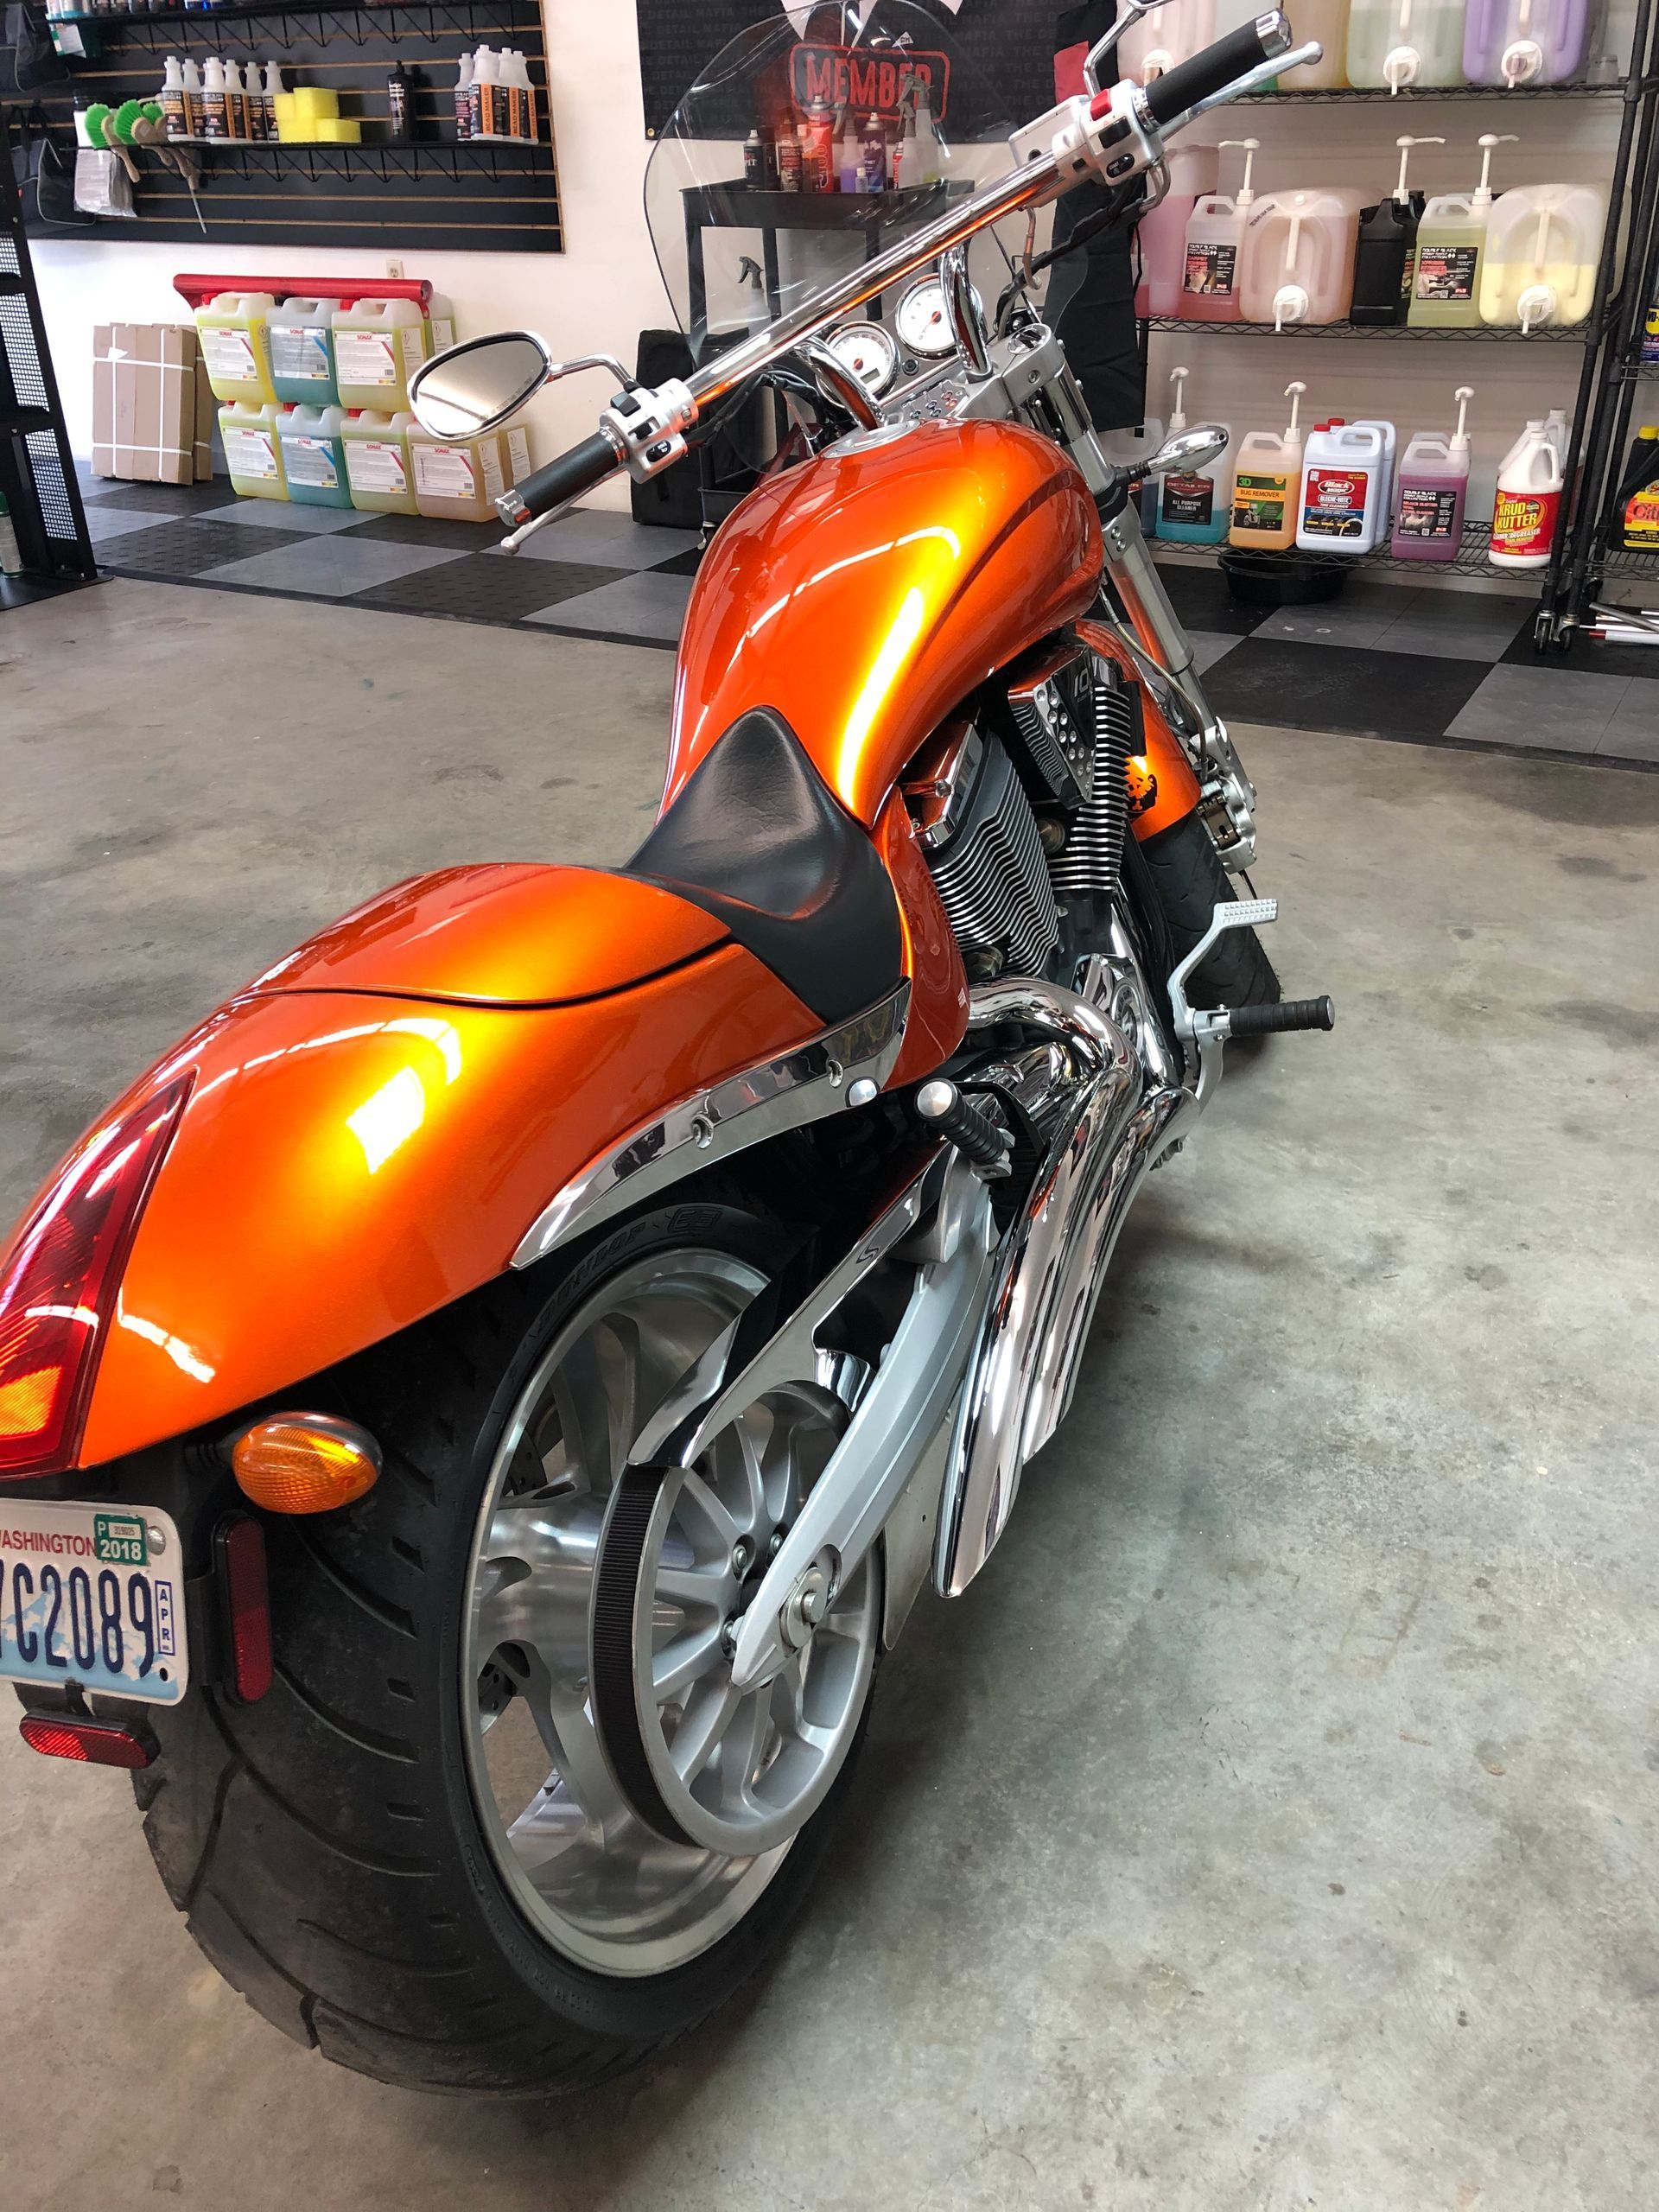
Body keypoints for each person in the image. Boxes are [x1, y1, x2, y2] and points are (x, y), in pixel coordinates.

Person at [1049, 1, 1147, 433]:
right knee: (1080, 281)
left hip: (1146, 159)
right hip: (1084, 178)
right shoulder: (1078, 21)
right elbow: (1071, 121)